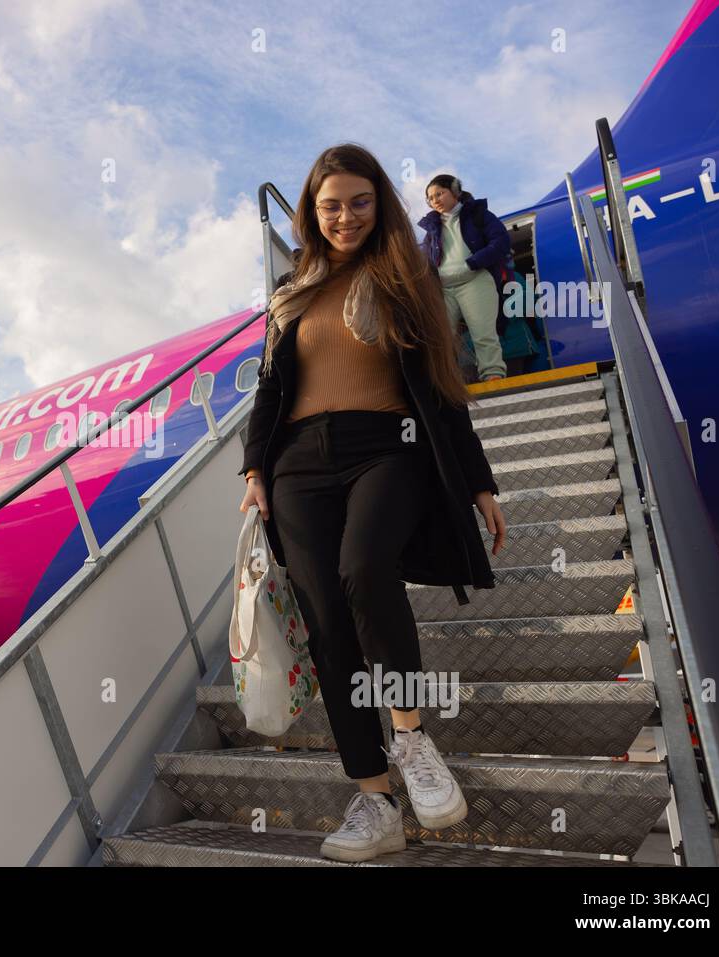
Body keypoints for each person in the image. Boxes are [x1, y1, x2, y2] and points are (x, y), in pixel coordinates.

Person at [238, 143, 507, 862]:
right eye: (330, 205)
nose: (345, 216)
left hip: (388, 444)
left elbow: (444, 388)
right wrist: (253, 469)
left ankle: (412, 738)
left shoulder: (401, 276)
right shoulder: (293, 289)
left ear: (378, 203)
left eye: (359, 201)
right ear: (310, 212)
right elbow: (270, 390)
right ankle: (374, 798)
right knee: (327, 621)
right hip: (297, 462)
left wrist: (479, 480)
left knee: (365, 571)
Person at [418, 175, 509, 383]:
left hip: (474, 279)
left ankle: (492, 373)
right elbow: (424, 262)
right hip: (443, 287)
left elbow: (501, 241)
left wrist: (473, 262)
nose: (435, 201)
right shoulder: (431, 229)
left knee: (483, 331)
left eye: (439, 194)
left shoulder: (479, 215)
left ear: (455, 191)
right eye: (430, 198)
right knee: (442, 338)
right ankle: (446, 381)